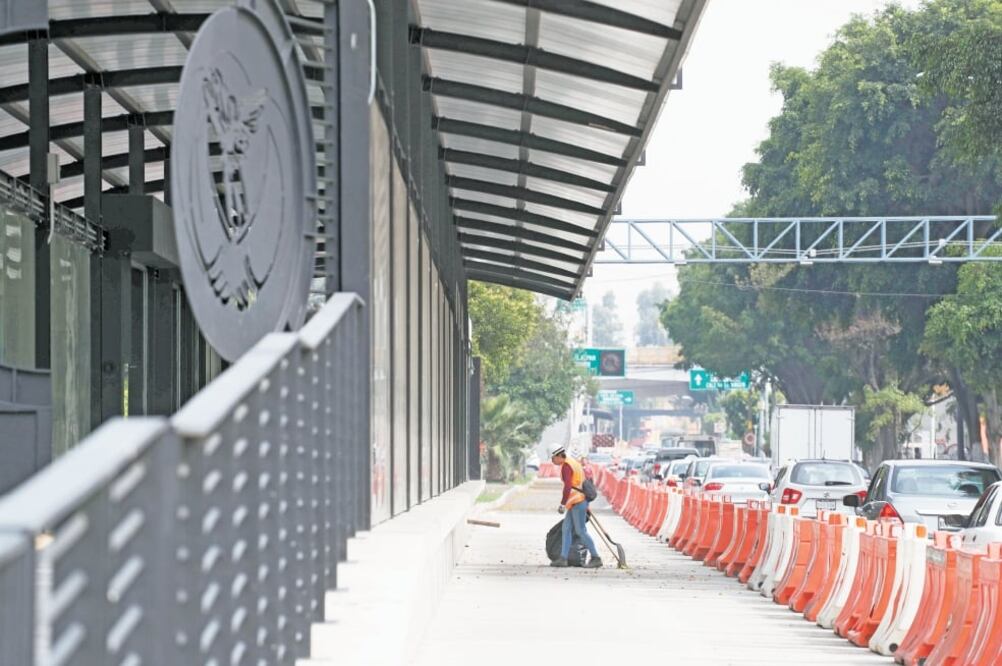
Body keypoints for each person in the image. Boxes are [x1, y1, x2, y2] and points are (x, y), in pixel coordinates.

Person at [549, 443, 602, 568]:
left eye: (553, 458)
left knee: (580, 531)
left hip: (578, 502)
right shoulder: (573, 462)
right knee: (566, 529)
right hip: (576, 502)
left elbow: (568, 486)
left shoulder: (567, 466)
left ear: (558, 455)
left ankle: (596, 558)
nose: (552, 461)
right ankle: (563, 558)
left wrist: (562, 504)